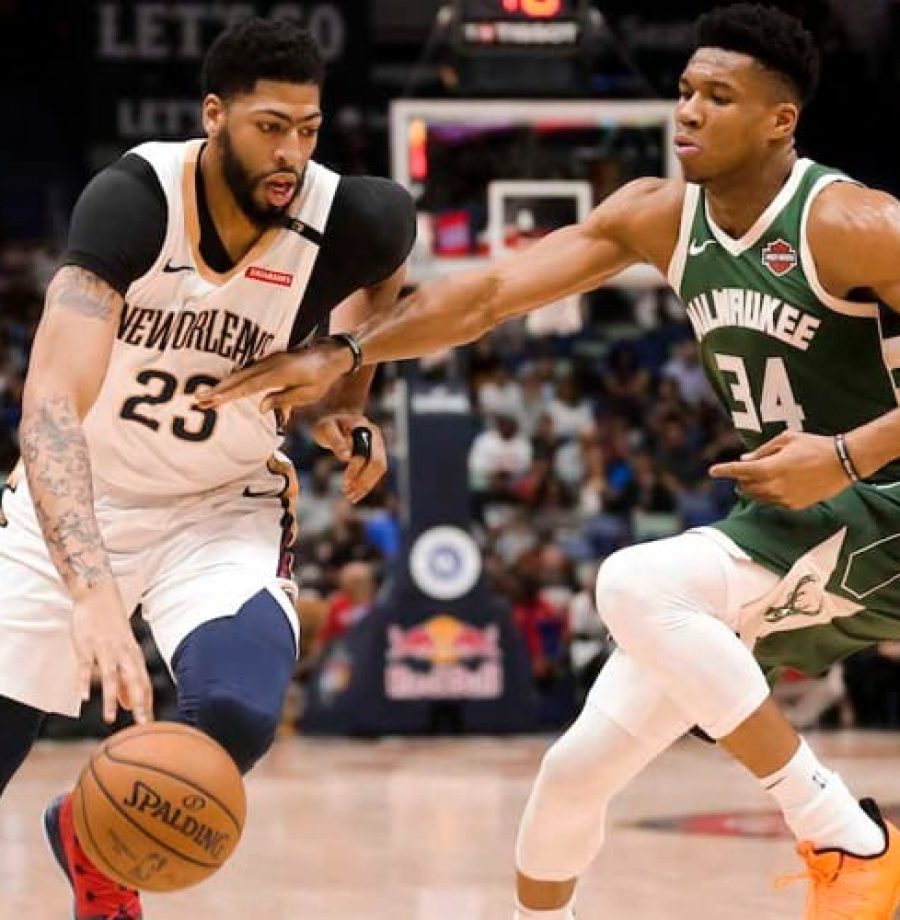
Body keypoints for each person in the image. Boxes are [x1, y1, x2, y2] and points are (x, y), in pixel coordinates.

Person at [200, 4, 900, 916]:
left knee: (638, 586)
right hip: (790, 525)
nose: (687, 112)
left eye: (719, 97)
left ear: (781, 120)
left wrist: (848, 454)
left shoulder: (853, 221)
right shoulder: (655, 216)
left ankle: (846, 838)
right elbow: (487, 293)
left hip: (882, 501)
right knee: (569, 777)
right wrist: (346, 353)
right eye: (684, 91)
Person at [0, 17, 415, 920]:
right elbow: (49, 407)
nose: (292, 153)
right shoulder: (135, 200)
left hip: (218, 507)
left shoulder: (357, 215)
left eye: (308, 129)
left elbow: (384, 283)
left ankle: (91, 842)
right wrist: (92, 590)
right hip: (75, 500)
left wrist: (348, 394)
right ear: (214, 116)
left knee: (236, 714)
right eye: (271, 126)